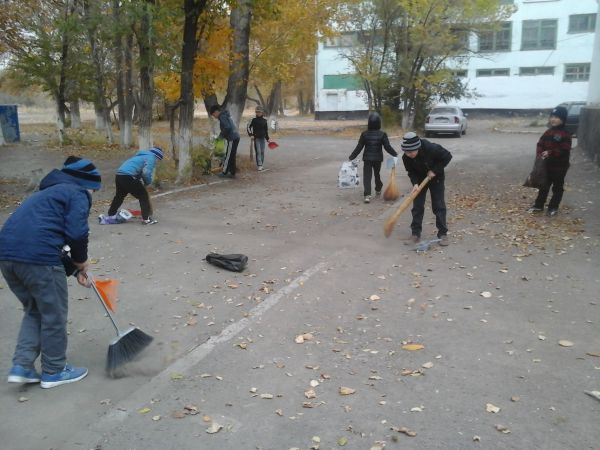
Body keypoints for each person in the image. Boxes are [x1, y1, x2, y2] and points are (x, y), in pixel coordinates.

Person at [0, 156, 100, 388]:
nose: (92, 195)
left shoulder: (45, 195)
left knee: (35, 310)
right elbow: (76, 233)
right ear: (86, 183)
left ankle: (23, 366)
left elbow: (45, 235)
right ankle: (54, 370)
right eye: (94, 190)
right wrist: (82, 262)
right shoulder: (77, 192)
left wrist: (75, 270)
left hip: (7, 257)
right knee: (53, 314)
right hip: (39, 258)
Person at [401, 132, 452, 246]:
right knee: (417, 206)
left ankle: (442, 234)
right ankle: (415, 234)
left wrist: (434, 170)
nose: (409, 154)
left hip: (436, 177)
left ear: (417, 147)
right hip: (420, 179)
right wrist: (415, 183)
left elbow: (448, 156)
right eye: (407, 152)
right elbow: (411, 172)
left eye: (411, 152)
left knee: (438, 205)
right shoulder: (406, 157)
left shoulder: (432, 148)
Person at [527, 106, 572, 217]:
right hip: (547, 166)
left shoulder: (565, 133)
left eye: (556, 117)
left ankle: (553, 207)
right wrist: (540, 153)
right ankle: (538, 205)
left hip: (560, 167)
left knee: (557, 188)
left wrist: (550, 152)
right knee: (544, 186)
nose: (553, 119)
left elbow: (564, 149)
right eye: (552, 116)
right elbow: (540, 143)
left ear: (563, 119)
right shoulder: (548, 132)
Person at [349, 112, 398, 203]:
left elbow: (359, 147)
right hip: (378, 159)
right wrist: (394, 154)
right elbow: (387, 147)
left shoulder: (364, 134)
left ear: (369, 123)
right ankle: (378, 188)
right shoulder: (382, 134)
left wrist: (352, 156)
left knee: (367, 176)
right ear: (379, 123)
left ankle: (367, 195)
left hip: (367, 159)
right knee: (377, 174)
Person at [107, 147, 163, 225]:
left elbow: (137, 170)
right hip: (128, 176)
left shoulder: (140, 156)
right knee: (143, 196)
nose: (157, 162)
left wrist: (140, 180)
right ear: (157, 156)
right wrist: (148, 182)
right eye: (158, 160)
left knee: (119, 196)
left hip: (119, 175)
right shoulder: (151, 157)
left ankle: (111, 214)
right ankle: (146, 219)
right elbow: (146, 172)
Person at [210, 104, 240, 178]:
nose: (214, 117)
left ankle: (224, 172)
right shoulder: (225, 115)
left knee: (228, 156)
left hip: (232, 138)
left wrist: (221, 136)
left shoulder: (222, 117)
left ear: (216, 112)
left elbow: (227, 127)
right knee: (232, 155)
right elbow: (228, 126)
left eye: (213, 115)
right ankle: (232, 172)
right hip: (236, 136)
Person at [247, 105, 270, 171]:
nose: (258, 113)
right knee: (258, 151)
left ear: (262, 112)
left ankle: (261, 165)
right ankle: (259, 165)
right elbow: (248, 127)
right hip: (256, 138)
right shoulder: (253, 120)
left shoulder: (265, 121)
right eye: (257, 112)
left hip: (262, 139)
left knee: (262, 152)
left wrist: (267, 138)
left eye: (259, 112)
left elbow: (266, 130)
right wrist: (251, 135)